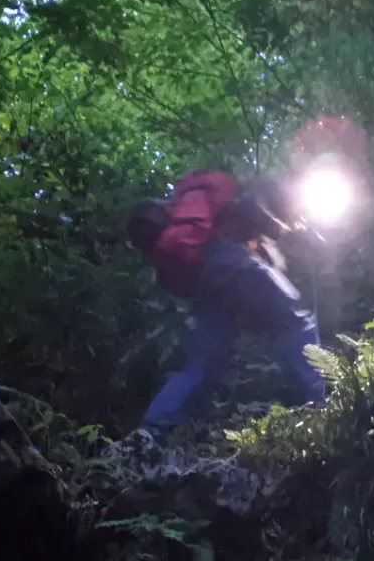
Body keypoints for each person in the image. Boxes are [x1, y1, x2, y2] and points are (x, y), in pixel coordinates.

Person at [127, 171, 325, 438]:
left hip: (201, 281)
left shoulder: (193, 207)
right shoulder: (235, 191)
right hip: (223, 258)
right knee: (296, 320)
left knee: (204, 362)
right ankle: (319, 409)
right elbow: (252, 210)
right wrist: (287, 230)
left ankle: (150, 432)